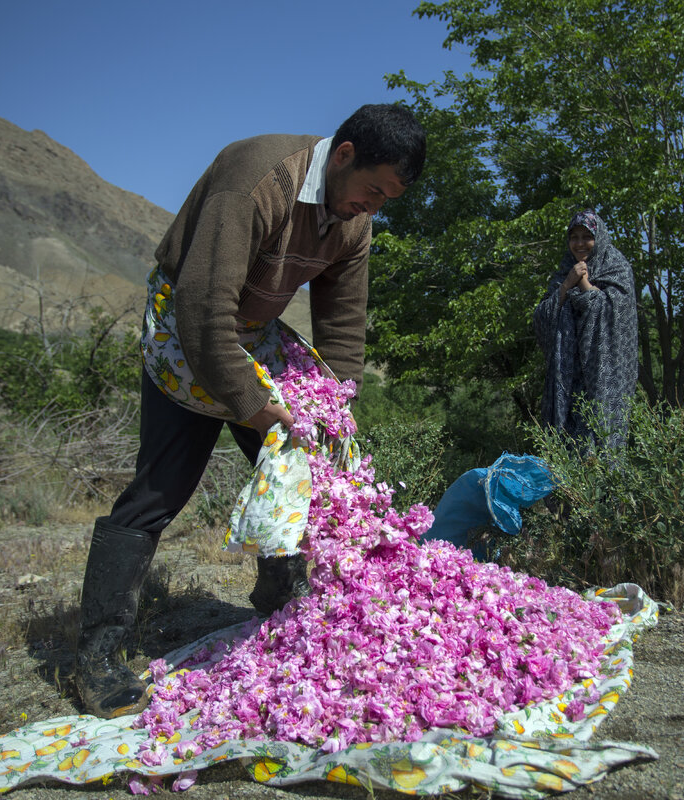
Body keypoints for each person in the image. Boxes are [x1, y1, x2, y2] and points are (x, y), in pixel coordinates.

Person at [75, 104, 426, 719]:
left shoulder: (354, 222)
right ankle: (99, 655)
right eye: (372, 190)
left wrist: (335, 410)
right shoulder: (257, 179)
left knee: (308, 464)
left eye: (386, 200)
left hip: (256, 330)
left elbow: (342, 326)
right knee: (161, 488)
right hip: (190, 325)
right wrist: (255, 409)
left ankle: (282, 596)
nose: (372, 207)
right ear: (342, 155)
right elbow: (204, 307)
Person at [533, 209, 639, 452]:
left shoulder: (617, 268)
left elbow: (615, 317)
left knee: (601, 447)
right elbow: (541, 317)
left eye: (586, 237)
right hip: (567, 382)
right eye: (574, 237)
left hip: (604, 379)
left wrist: (584, 284)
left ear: (598, 237)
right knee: (566, 452)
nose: (580, 244)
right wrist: (567, 284)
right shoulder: (564, 272)